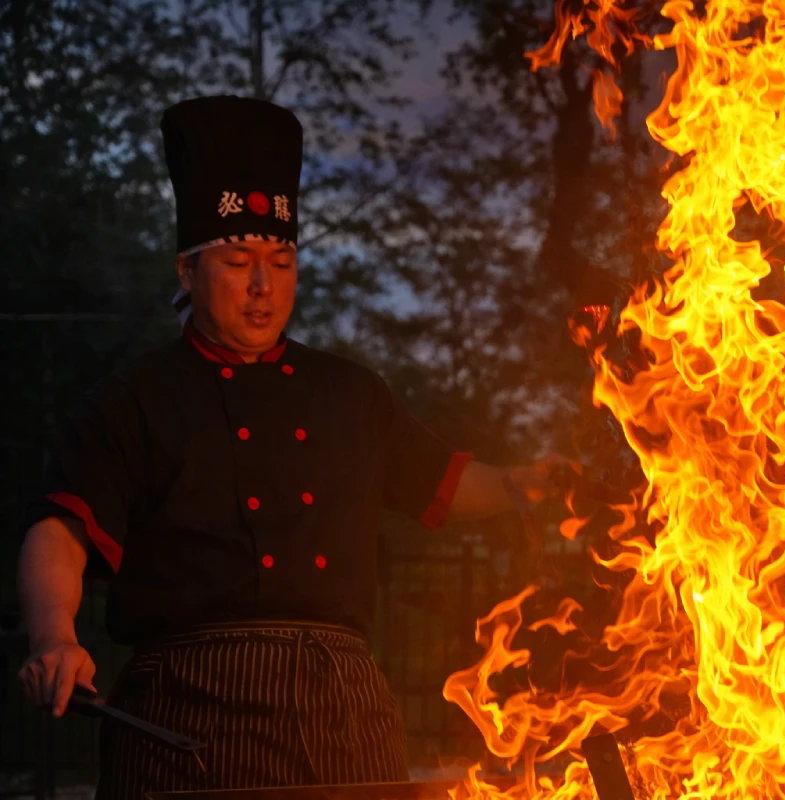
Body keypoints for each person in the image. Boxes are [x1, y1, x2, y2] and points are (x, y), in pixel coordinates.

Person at [16, 95, 559, 797]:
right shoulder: (136, 401)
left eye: (281, 259)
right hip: (185, 714)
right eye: (239, 260)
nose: (264, 286)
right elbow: (60, 530)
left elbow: (446, 484)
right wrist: (54, 636)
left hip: (343, 710)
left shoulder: (350, 393)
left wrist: (525, 484)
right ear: (187, 269)